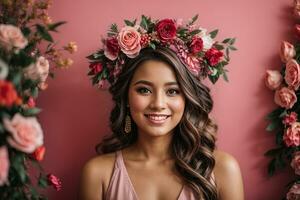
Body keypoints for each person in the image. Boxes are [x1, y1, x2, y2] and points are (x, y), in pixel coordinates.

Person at [79, 46, 244, 200]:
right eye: (144, 90)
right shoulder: (98, 173)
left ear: (186, 98)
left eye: (172, 91)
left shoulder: (222, 169)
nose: (158, 104)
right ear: (127, 97)